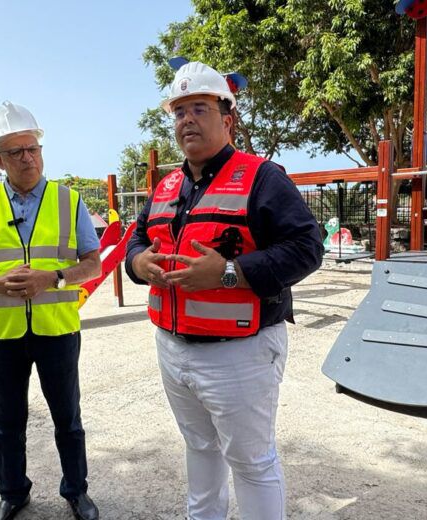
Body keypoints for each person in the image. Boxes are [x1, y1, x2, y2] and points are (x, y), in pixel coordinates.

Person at [125, 62, 323, 519]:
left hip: (241, 351)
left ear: (227, 119)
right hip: (173, 346)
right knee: (198, 446)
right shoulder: (167, 185)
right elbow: (137, 238)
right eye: (179, 112)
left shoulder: (262, 178)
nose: (187, 120)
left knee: (251, 463)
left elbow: (307, 248)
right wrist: (139, 262)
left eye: (199, 108)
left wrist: (229, 273)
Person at [0, 101, 102, 520]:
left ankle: (77, 491)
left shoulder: (69, 201)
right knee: (6, 424)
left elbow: (95, 263)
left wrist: (53, 279)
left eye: (32, 148)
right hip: (2, 332)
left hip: (58, 328)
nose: (27, 158)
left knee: (68, 420)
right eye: (16, 152)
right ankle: (13, 493)